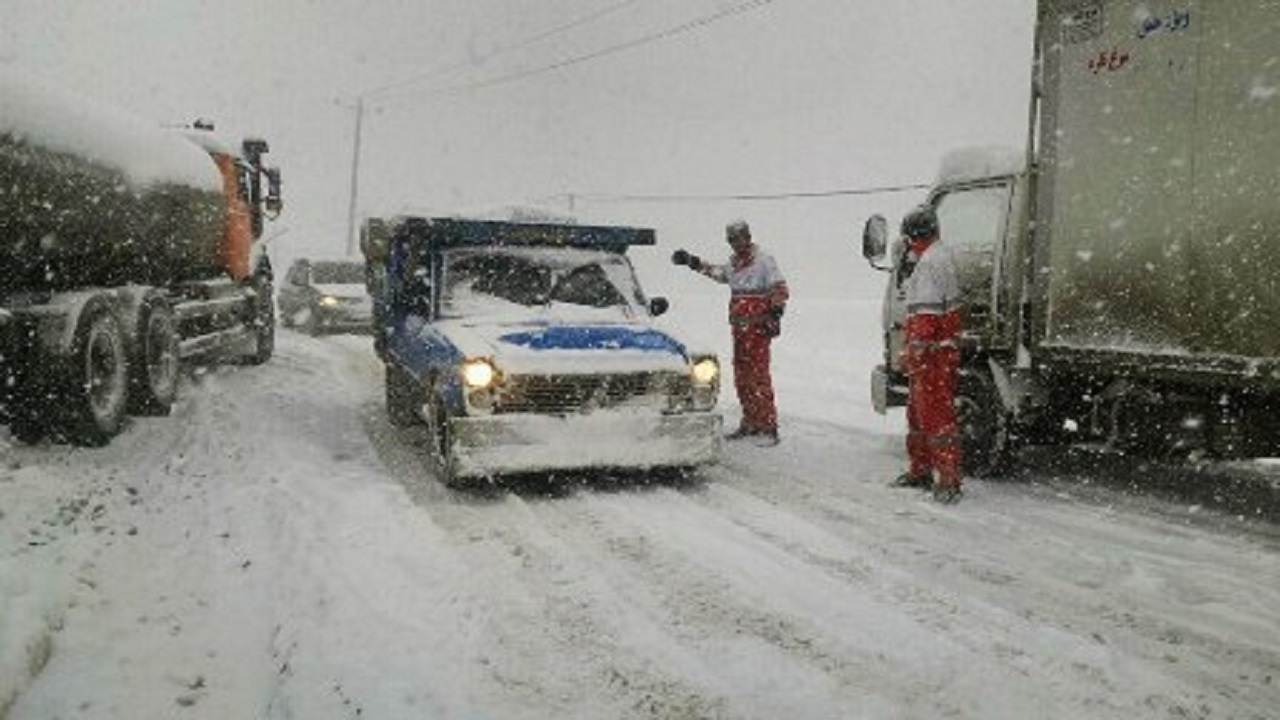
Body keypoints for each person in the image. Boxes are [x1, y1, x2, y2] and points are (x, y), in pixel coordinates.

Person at [672, 220, 789, 445]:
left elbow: (780, 289)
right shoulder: (734, 264)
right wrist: (692, 262)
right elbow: (717, 273)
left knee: (758, 375)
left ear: (748, 236)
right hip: (739, 330)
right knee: (742, 376)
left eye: (739, 238)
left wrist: (775, 314)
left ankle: (768, 426)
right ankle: (751, 422)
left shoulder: (763, 260)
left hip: (758, 328)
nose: (736, 244)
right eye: (731, 240)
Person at [891, 205, 964, 503]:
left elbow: (926, 317)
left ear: (914, 236)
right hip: (937, 352)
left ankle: (948, 480)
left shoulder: (930, 264)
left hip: (932, 356)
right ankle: (921, 469)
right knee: (919, 414)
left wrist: (914, 352)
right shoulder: (940, 257)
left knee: (935, 417)